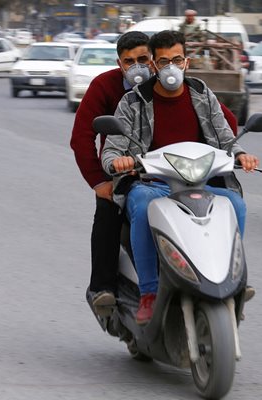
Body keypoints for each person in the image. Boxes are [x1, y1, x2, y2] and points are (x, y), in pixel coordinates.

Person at [70, 31, 242, 320]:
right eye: (129, 61)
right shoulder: (115, 92)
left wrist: (228, 155)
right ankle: (105, 287)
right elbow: (83, 137)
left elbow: (225, 127)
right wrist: (100, 180)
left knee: (232, 203)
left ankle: (227, 275)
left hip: (187, 173)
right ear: (120, 63)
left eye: (143, 60)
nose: (139, 66)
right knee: (112, 211)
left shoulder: (197, 91)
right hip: (131, 172)